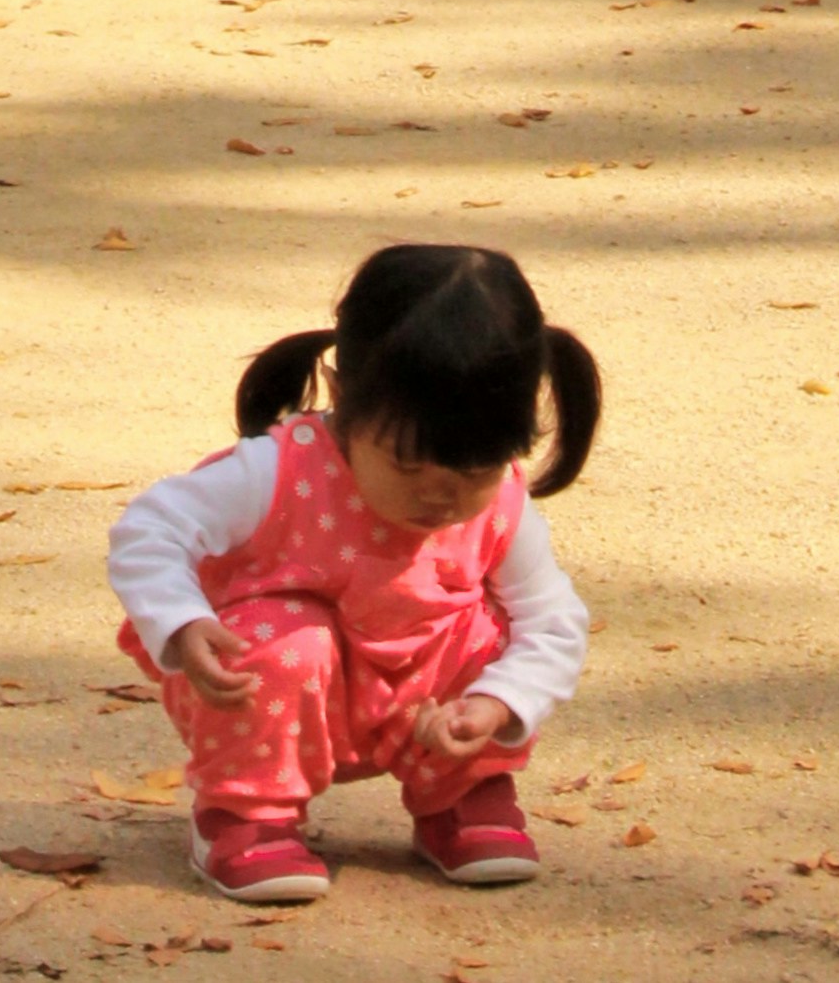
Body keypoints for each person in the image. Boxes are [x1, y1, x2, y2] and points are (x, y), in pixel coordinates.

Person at [105, 240, 600, 909]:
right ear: (344, 398)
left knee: (488, 630)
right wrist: (181, 621)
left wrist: (499, 703)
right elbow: (150, 530)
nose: (442, 500)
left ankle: (464, 794)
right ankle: (245, 815)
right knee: (284, 636)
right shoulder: (276, 473)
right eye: (406, 465)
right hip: (278, 690)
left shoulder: (504, 502)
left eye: (474, 474)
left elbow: (551, 619)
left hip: (426, 706)